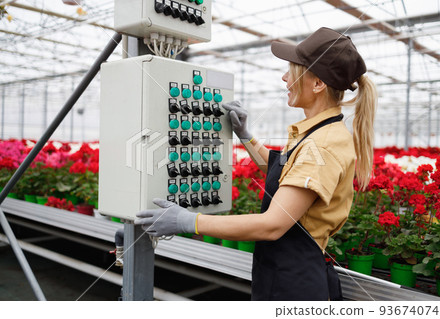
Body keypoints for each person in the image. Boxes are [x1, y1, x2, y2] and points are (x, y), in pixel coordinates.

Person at [135, 27, 377, 301]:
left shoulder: (321, 144)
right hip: (287, 273)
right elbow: (284, 172)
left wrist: (189, 221)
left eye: (293, 71)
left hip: (293, 285)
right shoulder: (319, 132)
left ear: (318, 83)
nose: (285, 78)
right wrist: (246, 136)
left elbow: (272, 224)